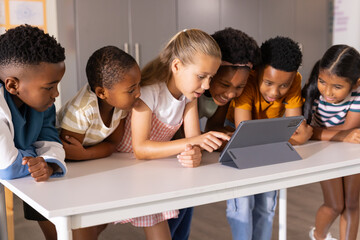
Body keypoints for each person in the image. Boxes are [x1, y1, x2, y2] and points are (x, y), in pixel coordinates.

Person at [116, 29, 230, 240]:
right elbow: (140, 149)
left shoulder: (189, 97)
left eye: (210, 78)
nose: (206, 86)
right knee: (92, 227)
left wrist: (194, 153)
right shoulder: (149, 92)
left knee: (175, 220)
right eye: (201, 76)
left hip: (152, 168)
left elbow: (192, 142)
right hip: (123, 167)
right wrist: (194, 142)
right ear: (177, 66)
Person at [225, 36, 313, 240]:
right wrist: (287, 138)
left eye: (284, 86)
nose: (275, 92)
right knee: (242, 206)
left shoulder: (294, 79)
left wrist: (288, 136)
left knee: (266, 204)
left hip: (272, 136)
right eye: (268, 82)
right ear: (257, 72)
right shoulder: (247, 82)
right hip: (240, 138)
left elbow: (295, 128)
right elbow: (244, 136)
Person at [57, 46, 141, 239]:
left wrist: (86, 154)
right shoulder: (82, 110)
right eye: (131, 89)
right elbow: (69, 153)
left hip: (89, 161)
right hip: (66, 168)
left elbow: (113, 144)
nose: (138, 93)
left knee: (98, 219)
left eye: (138, 85)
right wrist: (85, 154)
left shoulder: (121, 105)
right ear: (102, 93)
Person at [0, 25, 67, 240]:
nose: (56, 93)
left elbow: (51, 140)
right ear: (12, 85)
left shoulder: (43, 103)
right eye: (49, 87)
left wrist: (48, 162)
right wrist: (35, 155)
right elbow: (8, 167)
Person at [302, 45, 360, 240]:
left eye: (337, 87)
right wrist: (336, 135)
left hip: (352, 153)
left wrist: (319, 132)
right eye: (322, 81)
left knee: (352, 204)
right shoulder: (313, 93)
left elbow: (348, 131)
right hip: (324, 153)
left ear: (356, 84)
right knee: (335, 205)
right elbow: (307, 133)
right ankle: (318, 235)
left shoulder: (358, 98)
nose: (327, 91)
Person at [198, 27, 260, 134]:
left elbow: (213, 127)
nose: (231, 95)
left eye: (240, 86)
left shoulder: (223, 96)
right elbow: (182, 136)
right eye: (224, 84)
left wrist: (231, 136)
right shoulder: (192, 89)